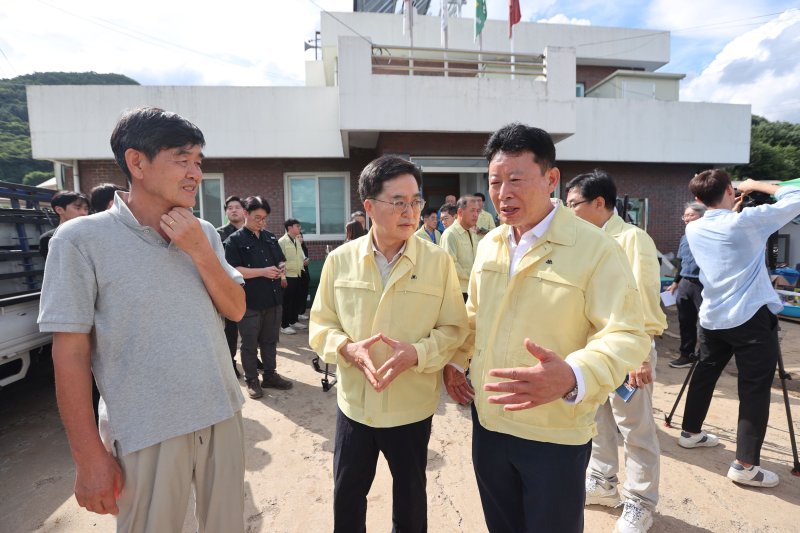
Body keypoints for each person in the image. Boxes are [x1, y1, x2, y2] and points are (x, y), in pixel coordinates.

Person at [38, 106, 247, 531]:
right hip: (147, 429)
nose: (195, 173)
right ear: (137, 162)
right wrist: (88, 456)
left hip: (222, 412)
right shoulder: (80, 240)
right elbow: (70, 353)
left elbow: (236, 308)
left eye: (198, 162)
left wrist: (200, 251)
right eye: (182, 159)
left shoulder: (204, 232)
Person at [443, 123, 649, 533]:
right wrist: (454, 358)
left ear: (551, 179)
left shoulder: (594, 249)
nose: (503, 193)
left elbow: (627, 333)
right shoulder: (491, 244)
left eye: (516, 179)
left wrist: (574, 374)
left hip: (554, 432)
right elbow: (475, 316)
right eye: (495, 182)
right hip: (489, 423)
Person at [309, 155, 468, 533]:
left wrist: (419, 353)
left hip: (410, 406)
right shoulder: (340, 260)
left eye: (415, 202)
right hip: (355, 406)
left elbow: (453, 328)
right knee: (347, 493)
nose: (410, 211)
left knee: (411, 495)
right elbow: (321, 325)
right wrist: (347, 349)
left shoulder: (438, 261)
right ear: (369, 206)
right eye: (398, 202)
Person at [678, 170, 800, 488]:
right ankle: (745, 465)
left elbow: (724, 227)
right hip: (750, 318)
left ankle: (690, 432)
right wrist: (754, 186)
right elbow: (796, 193)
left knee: (705, 374)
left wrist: (734, 200)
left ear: (698, 199)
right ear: (730, 190)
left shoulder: (695, 227)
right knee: (754, 388)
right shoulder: (748, 222)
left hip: (713, 317)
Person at [566, 170, 667, 533]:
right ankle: (603, 481)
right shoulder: (584, 241)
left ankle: (640, 501)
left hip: (626, 351)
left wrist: (640, 355)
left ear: (598, 203)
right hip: (593, 354)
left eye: (573, 204)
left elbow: (642, 297)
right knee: (599, 422)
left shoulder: (631, 238)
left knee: (636, 429)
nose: (568, 210)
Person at [224, 196, 293, 398]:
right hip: (250, 302)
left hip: (273, 300)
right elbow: (233, 270)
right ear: (246, 214)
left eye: (264, 218)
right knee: (249, 344)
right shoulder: (234, 241)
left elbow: (280, 259)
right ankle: (252, 380)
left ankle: (270, 375)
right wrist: (262, 271)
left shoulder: (270, 237)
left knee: (270, 341)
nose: (261, 222)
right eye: (257, 218)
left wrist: (281, 268)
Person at [667, 202, 706, 368]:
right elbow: (682, 263)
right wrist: (676, 282)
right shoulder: (684, 237)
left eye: (691, 215)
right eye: (685, 215)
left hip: (702, 283)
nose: (687, 218)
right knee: (685, 320)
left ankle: (704, 356)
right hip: (685, 283)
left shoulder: (708, 235)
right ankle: (686, 355)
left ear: (702, 216)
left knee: (704, 322)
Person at [217, 195, 248, 378]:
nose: (233, 210)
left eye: (237, 207)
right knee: (230, 330)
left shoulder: (251, 232)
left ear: (244, 211)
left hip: (251, 287)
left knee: (252, 329)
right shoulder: (218, 233)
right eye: (230, 208)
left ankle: (252, 359)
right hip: (228, 288)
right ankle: (230, 363)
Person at [440, 195, 480, 301]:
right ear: (460, 212)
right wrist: (473, 274)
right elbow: (451, 265)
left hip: (474, 289)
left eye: (477, 211)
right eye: (472, 211)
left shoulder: (472, 232)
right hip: (458, 292)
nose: (476, 215)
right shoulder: (450, 234)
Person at [39, 191, 89, 258]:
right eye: (78, 208)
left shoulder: (91, 234)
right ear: (59, 210)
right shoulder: (49, 238)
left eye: (86, 209)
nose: (84, 213)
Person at [278, 219, 307, 336]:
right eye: (297, 226)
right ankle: (284, 325)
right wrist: (282, 277)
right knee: (287, 301)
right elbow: (280, 261)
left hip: (298, 274)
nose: (299, 228)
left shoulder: (296, 240)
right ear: (290, 228)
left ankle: (293, 321)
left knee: (296, 300)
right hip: (288, 276)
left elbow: (300, 256)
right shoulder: (282, 241)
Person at [297, 231, 311, 321]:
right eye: (298, 237)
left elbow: (306, 259)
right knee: (298, 294)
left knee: (304, 293)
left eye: (301, 237)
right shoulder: (294, 248)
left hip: (305, 273)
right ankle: (297, 313)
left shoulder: (304, 248)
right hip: (298, 274)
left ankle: (301, 312)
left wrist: (307, 261)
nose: (300, 238)